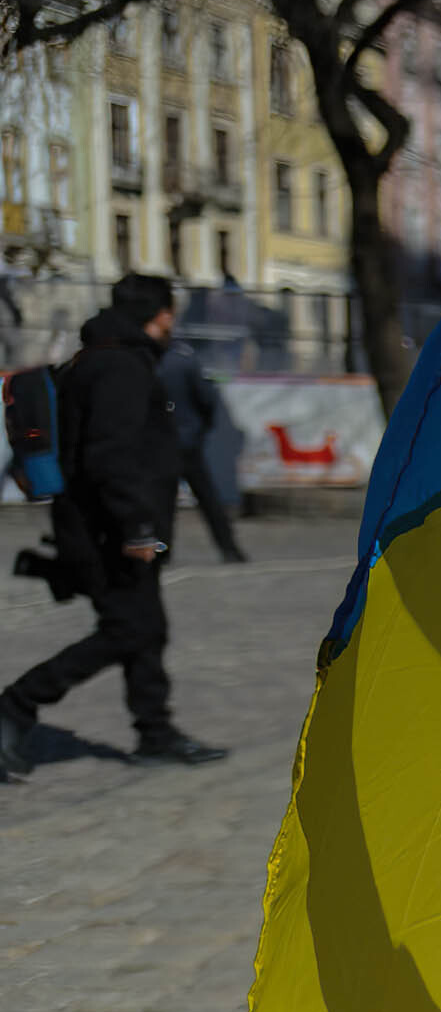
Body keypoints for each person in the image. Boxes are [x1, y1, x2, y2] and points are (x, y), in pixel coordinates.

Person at [0, 273, 232, 777]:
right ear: (161, 314)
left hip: (104, 524)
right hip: (107, 530)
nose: (174, 322)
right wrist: (138, 529)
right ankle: (15, 705)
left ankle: (156, 733)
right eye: (172, 313)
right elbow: (110, 456)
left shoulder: (101, 357)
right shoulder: (120, 367)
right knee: (127, 630)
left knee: (146, 628)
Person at [156, 329, 247, 561]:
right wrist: (200, 428)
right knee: (208, 499)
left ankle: (162, 552)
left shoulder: (148, 361)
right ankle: (229, 548)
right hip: (188, 441)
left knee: (162, 503)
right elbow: (206, 398)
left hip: (162, 442)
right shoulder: (185, 360)